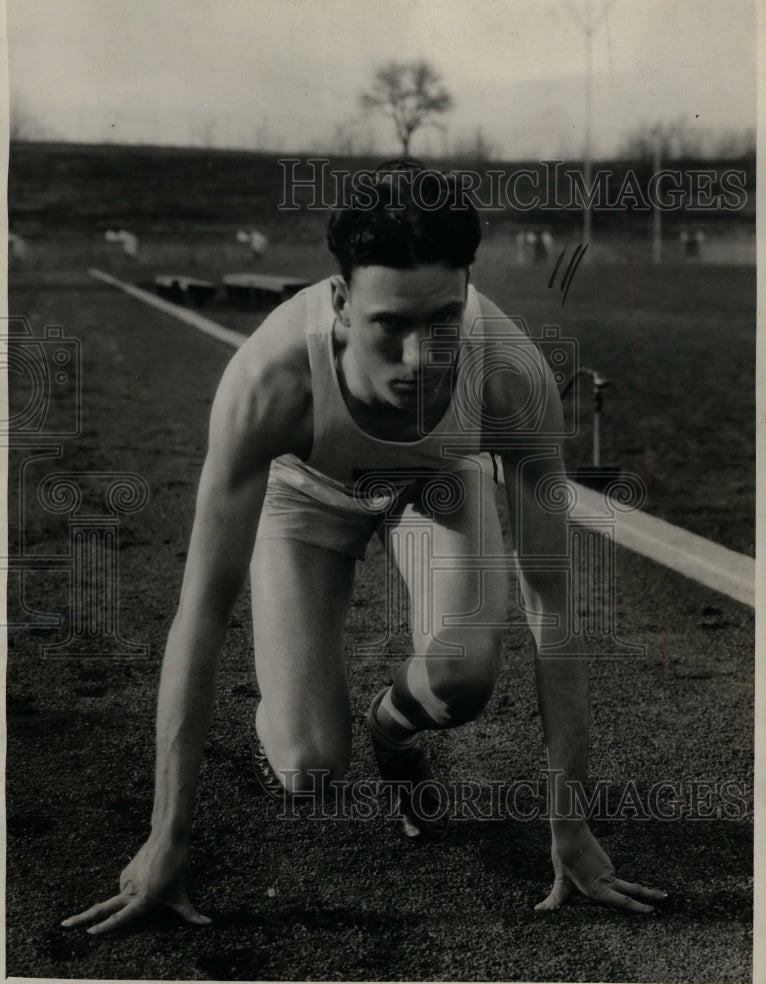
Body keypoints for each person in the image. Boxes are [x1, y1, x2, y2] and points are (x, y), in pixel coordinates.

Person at [63, 160, 666, 935]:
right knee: (311, 768)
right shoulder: (269, 382)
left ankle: (393, 726)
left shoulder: (514, 377)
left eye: (442, 321)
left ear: (469, 289)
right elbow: (201, 617)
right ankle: (293, 721)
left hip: (438, 484)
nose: (420, 360)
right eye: (391, 326)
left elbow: (553, 610)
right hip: (308, 495)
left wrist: (570, 825)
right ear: (343, 303)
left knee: (465, 678)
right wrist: (165, 836)